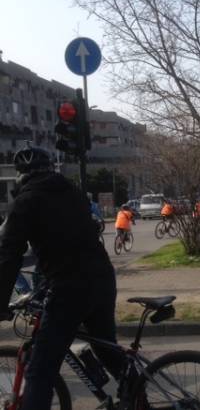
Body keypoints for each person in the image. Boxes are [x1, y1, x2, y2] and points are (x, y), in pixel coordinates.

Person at [0, 147, 124, 410]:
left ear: (21, 176)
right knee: (107, 348)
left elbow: (9, 256)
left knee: (40, 371)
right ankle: (138, 397)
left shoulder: (25, 202)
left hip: (69, 287)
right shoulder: (72, 191)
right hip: (101, 279)